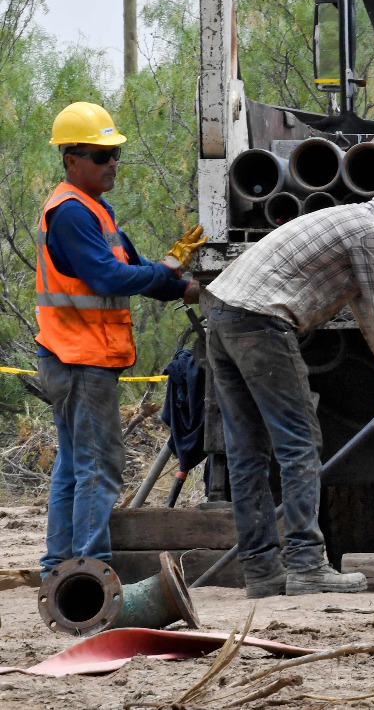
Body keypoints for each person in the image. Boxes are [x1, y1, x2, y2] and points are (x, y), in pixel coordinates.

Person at [205, 170, 374, 597]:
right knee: (300, 443)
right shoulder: (370, 232)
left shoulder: (348, 220)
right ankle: (306, 566)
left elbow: (364, 312)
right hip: (262, 322)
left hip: (223, 315)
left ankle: (261, 573)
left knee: (247, 453)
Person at [37, 101, 205, 577]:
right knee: (97, 467)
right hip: (78, 359)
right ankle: (91, 571)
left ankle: (58, 568)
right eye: (99, 154)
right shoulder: (70, 213)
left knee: (73, 466)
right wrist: (170, 270)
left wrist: (186, 287)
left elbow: (137, 273)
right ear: (71, 159)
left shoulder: (95, 210)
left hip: (75, 357)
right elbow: (110, 278)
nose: (111, 162)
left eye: (114, 153)